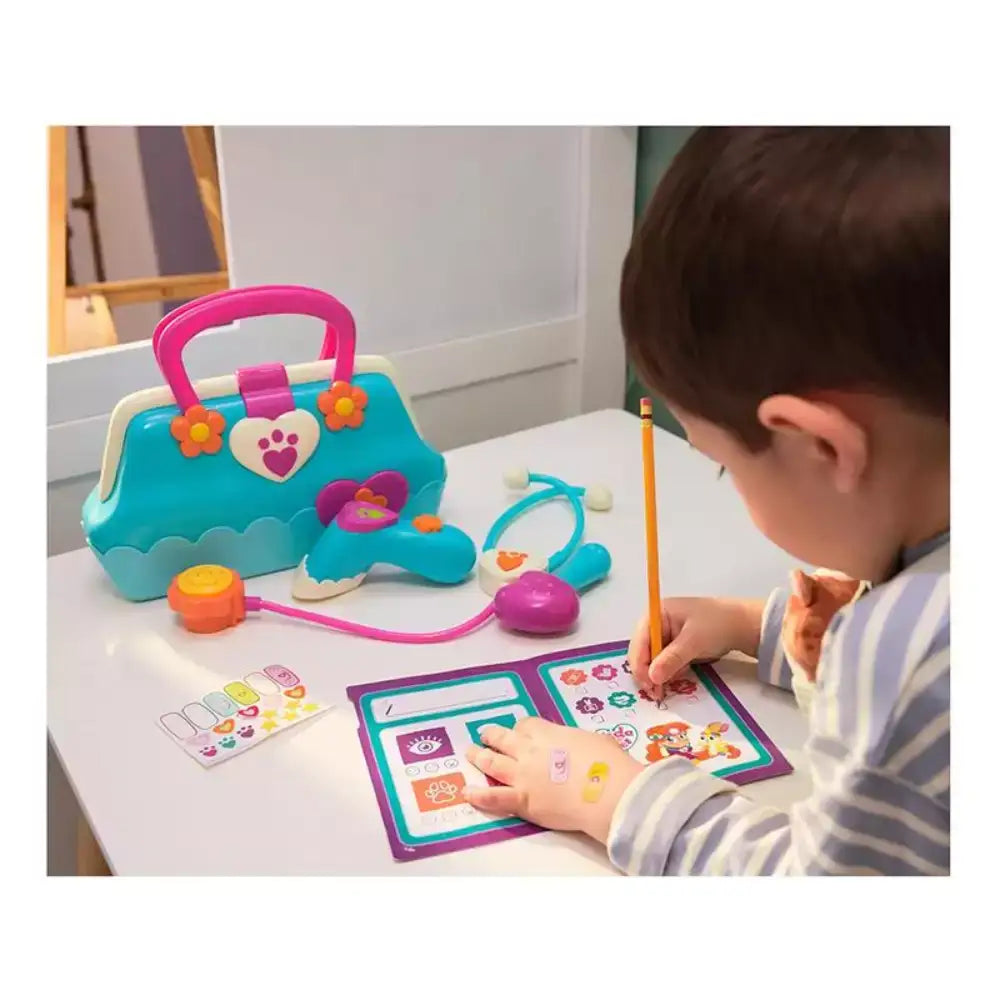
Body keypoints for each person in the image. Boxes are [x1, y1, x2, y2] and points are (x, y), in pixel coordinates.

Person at [462, 126, 950, 875]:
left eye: (723, 466)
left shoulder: (910, 652)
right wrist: (760, 625)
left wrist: (610, 795)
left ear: (821, 447)